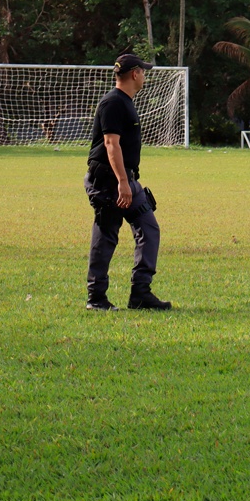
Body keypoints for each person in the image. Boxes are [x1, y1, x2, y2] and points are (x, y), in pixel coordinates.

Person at [84, 54, 170, 311]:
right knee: (106, 235)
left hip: (127, 180)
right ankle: (96, 298)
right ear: (134, 73)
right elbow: (111, 144)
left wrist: (128, 180)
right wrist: (122, 182)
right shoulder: (113, 102)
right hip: (108, 181)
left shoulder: (125, 102)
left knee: (149, 229)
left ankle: (141, 294)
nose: (145, 75)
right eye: (143, 71)